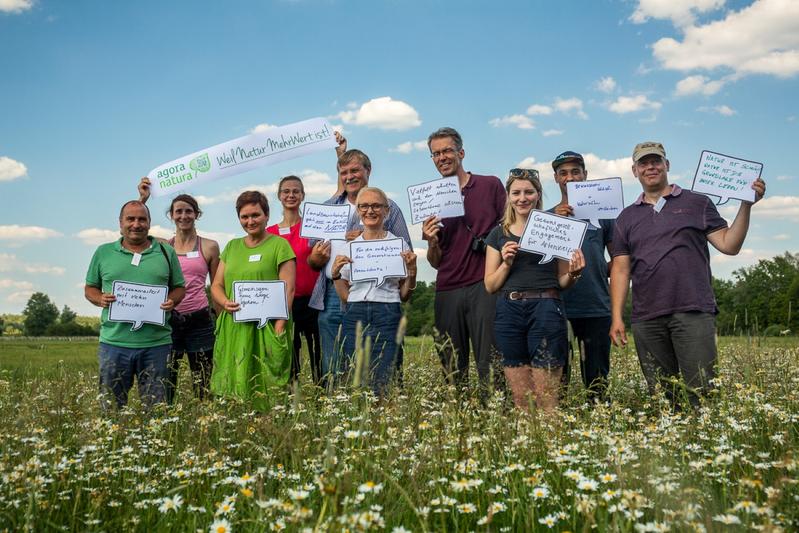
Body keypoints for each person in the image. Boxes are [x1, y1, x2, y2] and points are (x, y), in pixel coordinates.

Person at [609, 142, 766, 406]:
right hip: (647, 317)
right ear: (634, 170)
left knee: (703, 393)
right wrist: (616, 317)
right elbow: (621, 270)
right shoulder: (626, 217)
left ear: (667, 165)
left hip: (692, 309)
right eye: (644, 163)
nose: (651, 167)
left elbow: (729, 245)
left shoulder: (697, 203)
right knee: (662, 395)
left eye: (656, 161)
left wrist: (746, 205)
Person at [308, 136, 412, 386]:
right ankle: (338, 404)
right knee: (336, 356)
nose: (349, 176)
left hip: (379, 295)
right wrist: (323, 253)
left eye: (355, 170)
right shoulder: (327, 208)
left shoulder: (390, 207)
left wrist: (369, 241)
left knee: (383, 355)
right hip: (334, 292)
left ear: (368, 171)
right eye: (344, 172)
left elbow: (403, 252)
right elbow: (312, 260)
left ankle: (385, 400)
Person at [484, 169, 585, 411]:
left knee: (547, 397)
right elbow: (490, 285)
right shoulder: (498, 233)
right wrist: (507, 263)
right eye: (516, 192)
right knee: (522, 400)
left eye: (529, 192)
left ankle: (550, 443)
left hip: (546, 308)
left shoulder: (553, 228)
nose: (522, 198)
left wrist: (573, 273)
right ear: (508, 196)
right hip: (509, 311)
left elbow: (562, 281)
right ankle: (528, 444)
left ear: (538, 195)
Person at [421, 127, 506, 394]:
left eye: (447, 150)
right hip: (448, 286)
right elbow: (435, 261)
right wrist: (431, 242)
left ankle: (493, 413)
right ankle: (459, 414)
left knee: (490, 359)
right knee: (451, 362)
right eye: (436, 153)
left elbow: (509, 227)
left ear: (461, 152)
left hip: (485, 284)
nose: (442, 157)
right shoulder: (430, 199)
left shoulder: (490, 185)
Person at [84, 200, 186, 410]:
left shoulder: (166, 252)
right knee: (111, 409)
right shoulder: (103, 252)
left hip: (157, 344)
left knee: (157, 409)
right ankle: (111, 443)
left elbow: (179, 287)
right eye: (130, 219)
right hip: (114, 343)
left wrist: (172, 301)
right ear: (120, 222)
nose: (136, 224)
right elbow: (89, 288)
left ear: (149, 223)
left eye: (142, 219)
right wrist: (100, 298)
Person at [210, 191, 296, 411]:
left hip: (267, 326)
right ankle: (237, 423)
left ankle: (270, 425)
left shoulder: (280, 245)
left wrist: (279, 328)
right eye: (244, 217)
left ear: (266, 215)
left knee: (269, 382)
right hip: (235, 325)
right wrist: (224, 302)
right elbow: (217, 285)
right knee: (236, 379)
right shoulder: (231, 247)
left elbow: (289, 289)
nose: (250, 221)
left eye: (255, 215)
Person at [138, 178, 220, 402]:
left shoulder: (210, 246)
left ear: (197, 214)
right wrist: (143, 200)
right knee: (167, 379)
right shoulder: (164, 245)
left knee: (203, 380)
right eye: (178, 212)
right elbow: (136, 229)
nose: (183, 216)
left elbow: (216, 285)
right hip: (170, 319)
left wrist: (221, 320)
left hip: (200, 320)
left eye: (188, 211)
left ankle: (205, 424)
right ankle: (168, 423)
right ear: (171, 215)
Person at [330, 187, 417, 395]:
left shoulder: (398, 244)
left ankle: (386, 421)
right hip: (355, 314)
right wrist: (334, 273)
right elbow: (345, 294)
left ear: (386, 211)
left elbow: (405, 295)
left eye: (376, 205)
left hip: (388, 311)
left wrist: (412, 271)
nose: (370, 210)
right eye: (364, 206)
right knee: (353, 373)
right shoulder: (348, 248)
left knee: (387, 374)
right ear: (358, 211)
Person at [549, 151, 614, 402]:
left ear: (585, 175)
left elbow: (618, 258)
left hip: (596, 305)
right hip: (556, 306)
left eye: (576, 171)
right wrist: (558, 221)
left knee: (597, 377)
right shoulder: (545, 216)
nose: (570, 177)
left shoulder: (605, 213)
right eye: (563, 173)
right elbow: (540, 265)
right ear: (556, 178)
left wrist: (597, 270)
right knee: (558, 376)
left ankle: (599, 417)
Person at [267, 175, 322, 385]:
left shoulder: (313, 227)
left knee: (318, 350)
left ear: (303, 195)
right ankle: (291, 395)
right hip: (284, 304)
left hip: (313, 301)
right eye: (286, 191)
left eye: (296, 191)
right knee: (290, 353)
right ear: (279, 196)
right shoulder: (269, 233)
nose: (291, 195)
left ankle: (320, 393)